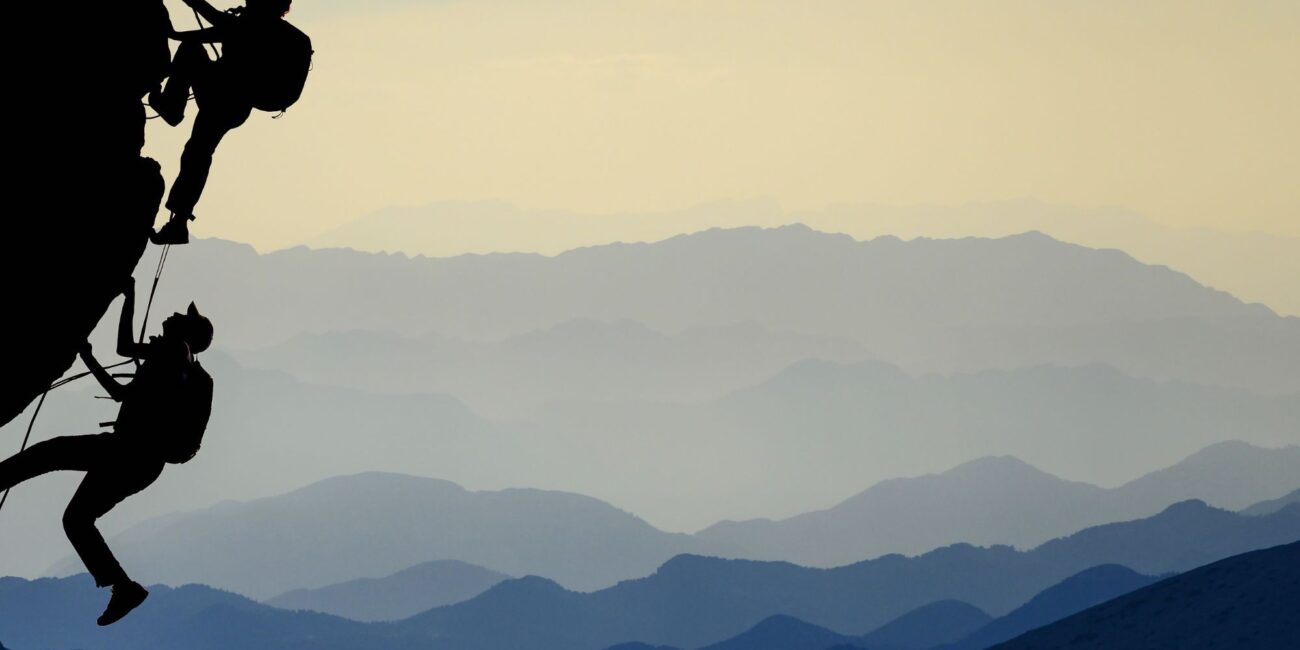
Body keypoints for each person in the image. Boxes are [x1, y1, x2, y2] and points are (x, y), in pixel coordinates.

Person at [0, 280, 214, 626]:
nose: (172, 314)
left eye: (180, 316)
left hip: (126, 452)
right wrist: (126, 304)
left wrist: (91, 352)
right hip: (141, 462)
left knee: (49, 454)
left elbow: (119, 388)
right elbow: (125, 349)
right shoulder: (182, 362)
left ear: (187, 331)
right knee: (76, 518)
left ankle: (123, 587)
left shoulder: (173, 352)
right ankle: (123, 586)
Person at [148, 0, 306, 245]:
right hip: (236, 106)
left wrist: (175, 25)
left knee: (197, 151)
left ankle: (172, 106)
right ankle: (178, 222)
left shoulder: (251, 27)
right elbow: (220, 25)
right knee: (198, 151)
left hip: (222, 96)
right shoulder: (276, 33)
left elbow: (214, 25)